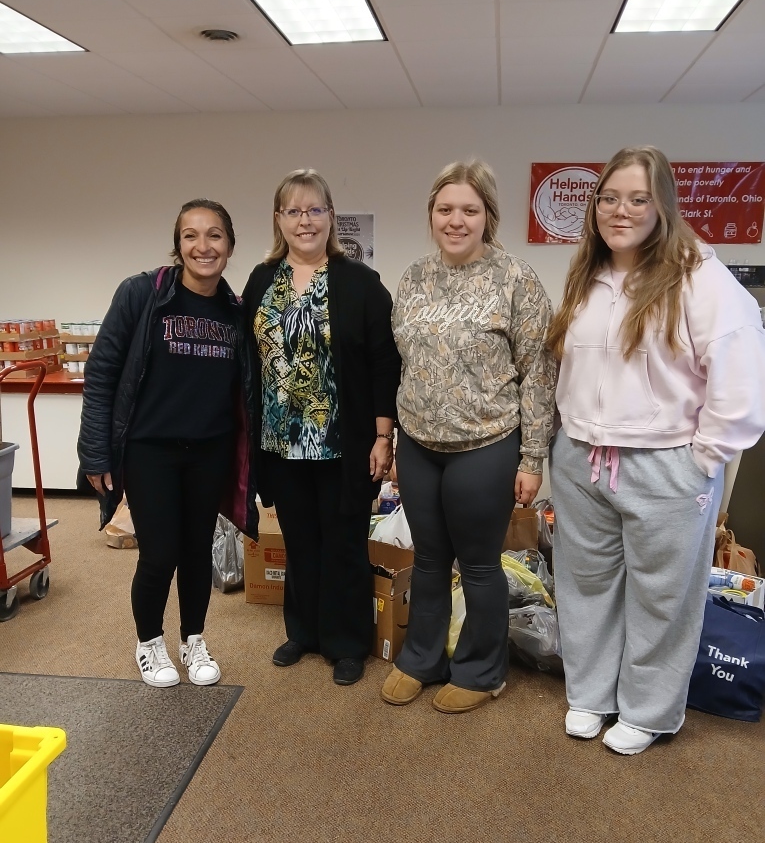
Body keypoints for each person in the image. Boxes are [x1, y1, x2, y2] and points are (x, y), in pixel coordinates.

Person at [547, 145, 765, 755]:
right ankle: (590, 695)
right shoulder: (588, 274)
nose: (621, 210)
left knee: (662, 596)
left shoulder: (701, 278)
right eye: (609, 198)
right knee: (585, 586)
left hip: (667, 465)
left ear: (663, 204)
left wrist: (704, 459)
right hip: (582, 459)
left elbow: (741, 382)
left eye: (638, 198)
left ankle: (648, 710)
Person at [381, 160, 557, 713]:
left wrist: (532, 458)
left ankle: (482, 671)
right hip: (419, 443)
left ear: (488, 216)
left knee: (479, 564)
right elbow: (402, 363)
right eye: (445, 209)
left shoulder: (516, 278)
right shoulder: (413, 278)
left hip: (486, 444)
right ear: (432, 215)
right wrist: (394, 437)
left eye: (469, 210)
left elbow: (538, 373)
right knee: (429, 559)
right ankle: (421, 659)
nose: (455, 220)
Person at [78, 200, 259, 688]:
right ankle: (150, 642)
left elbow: (245, 389)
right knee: (159, 555)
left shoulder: (235, 310)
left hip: (210, 449)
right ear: (178, 245)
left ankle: (193, 639)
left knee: (197, 550)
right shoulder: (142, 294)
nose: (203, 246)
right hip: (150, 449)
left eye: (215, 235)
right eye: (191, 235)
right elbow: (102, 374)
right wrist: (94, 451)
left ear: (230, 245)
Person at [241, 170, 400, 686]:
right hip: (279, 443)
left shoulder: (360, 283)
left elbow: (384, 364)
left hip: (341, 443)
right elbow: (248, 360)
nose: (304, 220)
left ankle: (347, 641)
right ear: (278, 219)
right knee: (300, 541)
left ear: (331, 216)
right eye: (293, 211)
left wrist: (383, 437)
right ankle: (303, 632)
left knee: (344, 544)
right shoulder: (261, 281)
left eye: (314, 210)